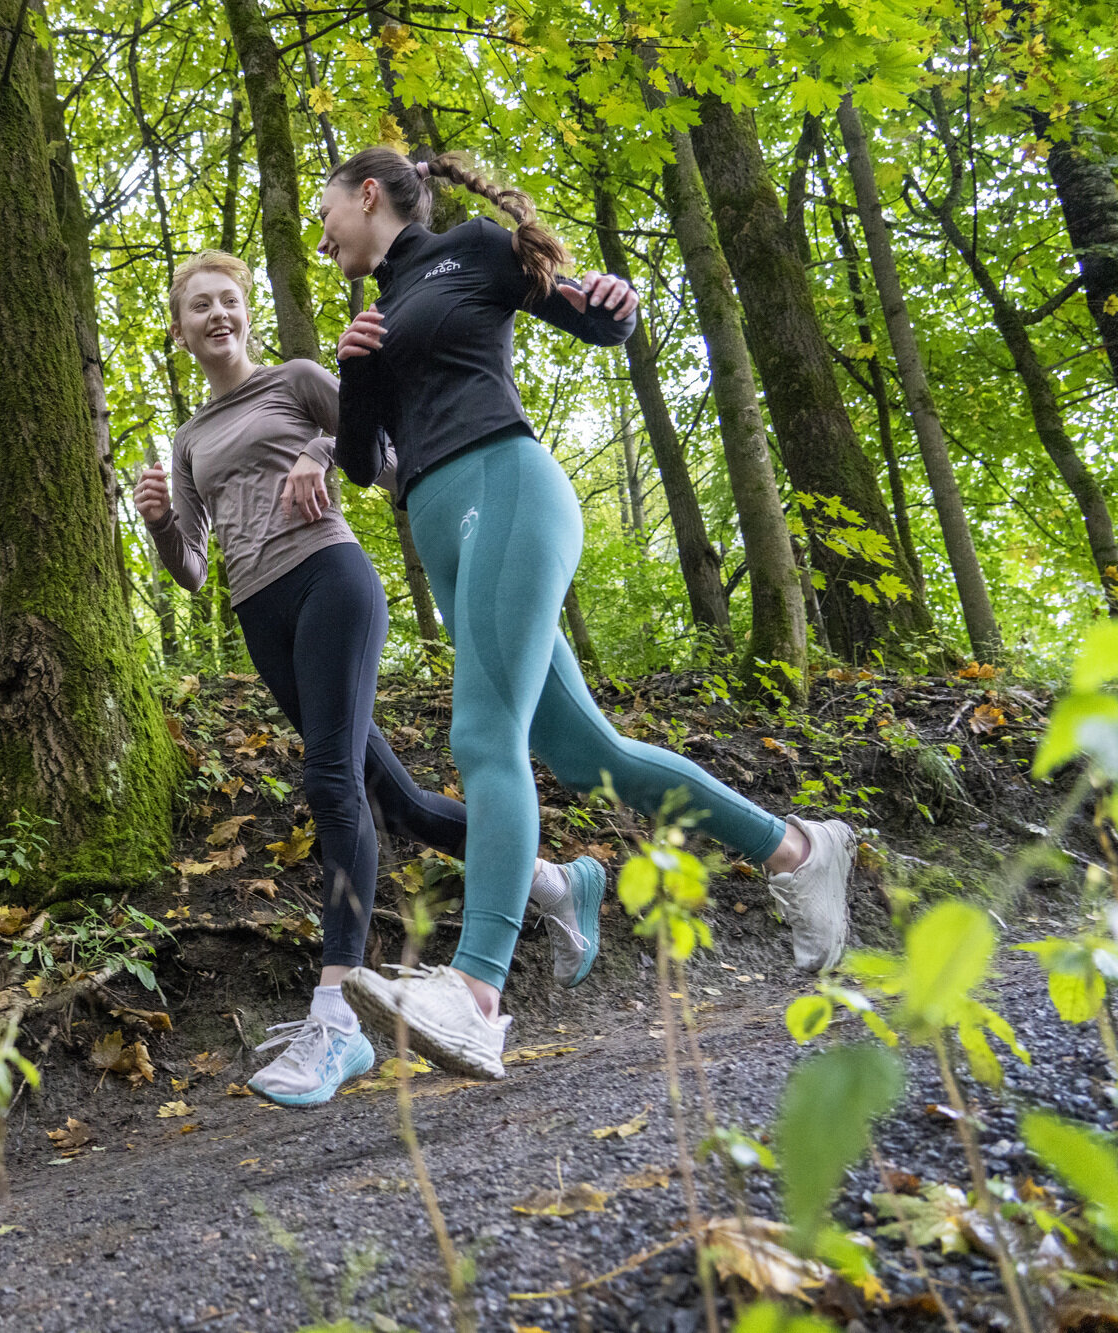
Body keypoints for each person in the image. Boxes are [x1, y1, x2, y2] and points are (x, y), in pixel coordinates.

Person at [312, 148, 858, 1081]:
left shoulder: (473, 251)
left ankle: (477, 993)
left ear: (370, 194)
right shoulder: (372, 317)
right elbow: (363, 464)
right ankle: (799, 849)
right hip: (447, 527)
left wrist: (619, 300)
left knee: (485, 737)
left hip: (508, 485)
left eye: (325, 208)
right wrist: (356, 374)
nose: (320, 233)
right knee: (585, 754)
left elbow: (596, 322)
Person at [133, 248, 604, 1107]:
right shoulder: (190, 437)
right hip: (258, 613)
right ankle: (551, 881)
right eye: (199, 305)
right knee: (393, 802)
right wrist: (161, 522)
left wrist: (318, 446)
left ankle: (337, 1017)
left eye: (229, 300)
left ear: (247, 313)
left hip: (331, 582)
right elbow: (194, 569)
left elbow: (382, 452)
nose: (217, 315)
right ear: (180, 328)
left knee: (330, 784)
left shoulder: (300, 378)